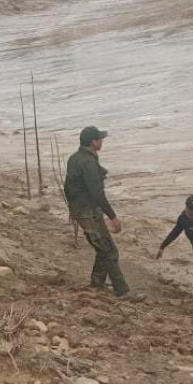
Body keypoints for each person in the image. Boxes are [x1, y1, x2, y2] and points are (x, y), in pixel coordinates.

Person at [64, 126, 133, 299]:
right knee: (109, 251)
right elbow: (97, 194)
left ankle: (97, 284)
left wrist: (72, 209)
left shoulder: (75, 158)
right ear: (93, 142)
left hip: (83, 210)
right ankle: (122, 291)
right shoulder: (88, 162)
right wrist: (113, 216)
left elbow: (69, 187)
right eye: (100, 139)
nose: (102, 141)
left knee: (103, 248)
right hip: (88, 211)